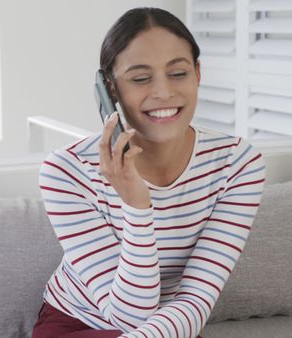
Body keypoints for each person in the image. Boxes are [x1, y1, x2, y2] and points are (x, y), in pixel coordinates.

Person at [32, 7, 265, 338]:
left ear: (198, 74)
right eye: (140, 78)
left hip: (171, 328)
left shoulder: (237, 164)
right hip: (78, 322)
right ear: (110, 89)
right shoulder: (66, 171)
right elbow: (128, 316)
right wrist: (136, 206)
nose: (163, 92)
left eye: (178, 73)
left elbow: (195, 300)